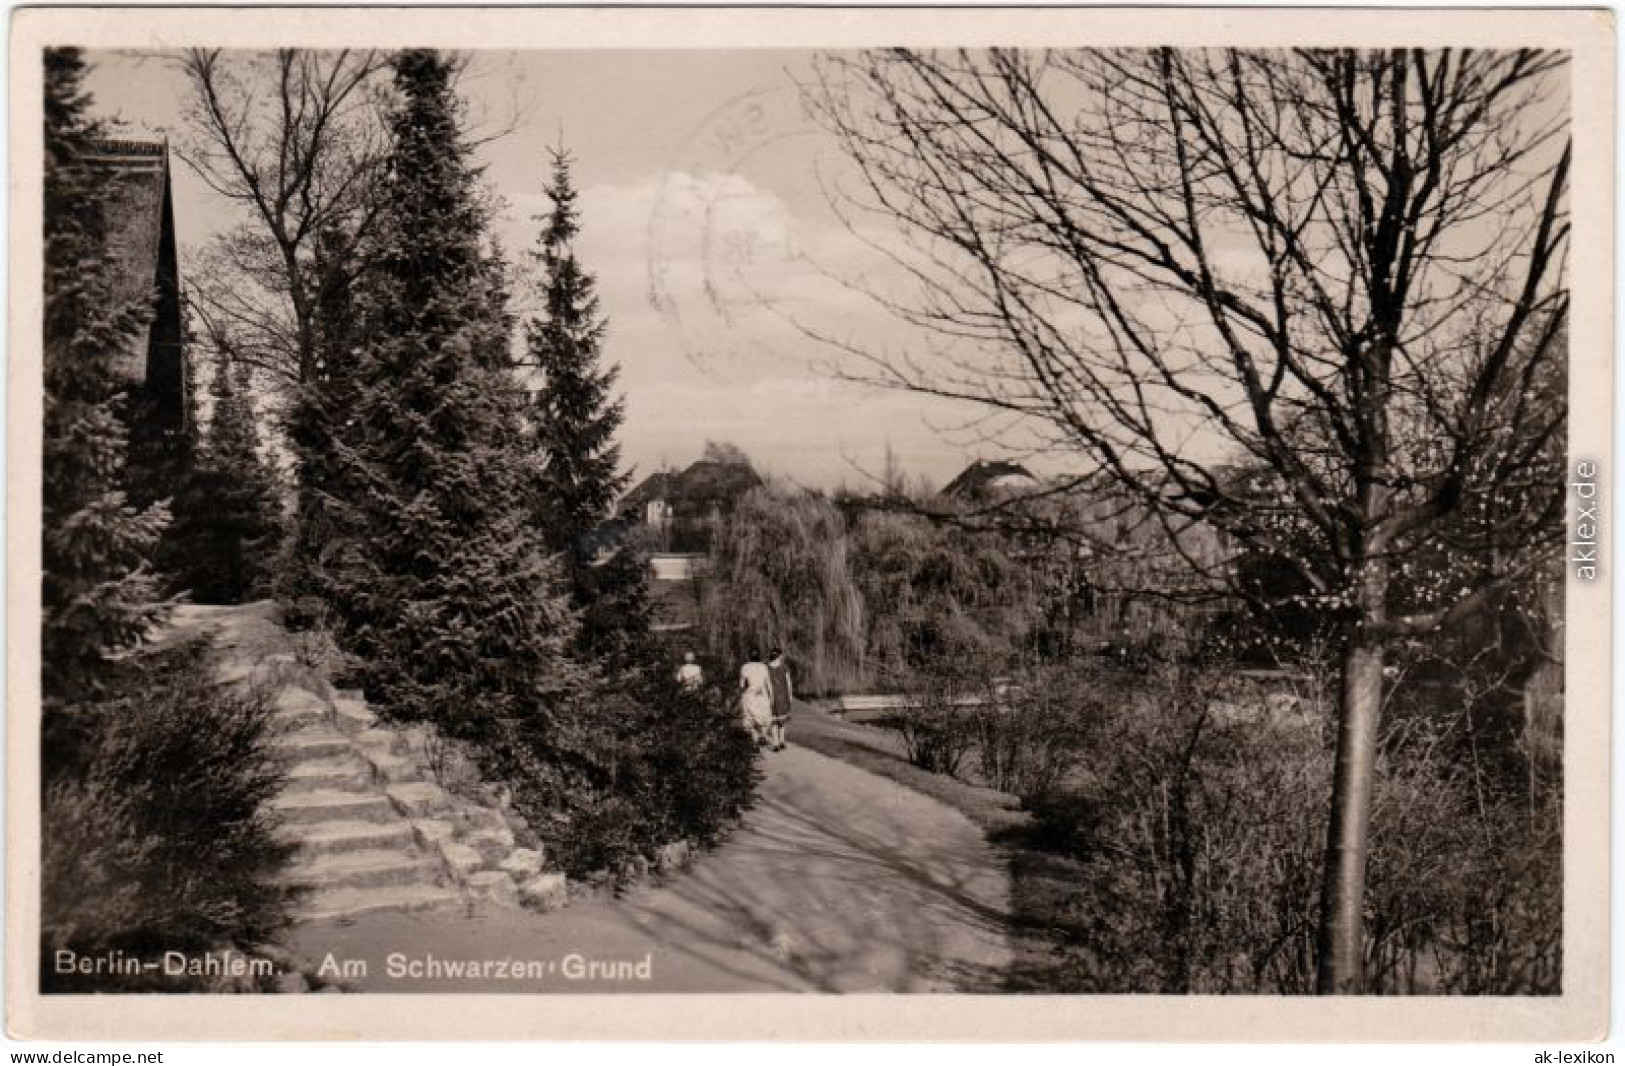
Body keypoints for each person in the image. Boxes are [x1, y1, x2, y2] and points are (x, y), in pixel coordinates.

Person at [738, 650, 774, 748]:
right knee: (764, 715)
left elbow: (742, 684)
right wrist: (771, 695)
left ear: (749, 656)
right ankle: (763, 735)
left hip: (751, 693)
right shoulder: (764, 667)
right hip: (762, 693)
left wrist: (742, 692)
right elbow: (768, 682)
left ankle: (755, 737)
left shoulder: (745, 667)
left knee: (749, 716)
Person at [766, 647, 793, 752]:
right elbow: (788, 683)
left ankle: (775, 744)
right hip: (783, 696)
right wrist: (790, 695)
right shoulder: (784, 667)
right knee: (782, 721)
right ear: (780, 656)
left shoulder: (767, 668)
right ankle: (782, 741)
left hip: (771, 697)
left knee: (773, 721)